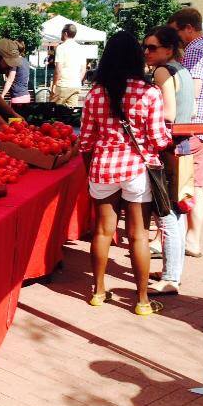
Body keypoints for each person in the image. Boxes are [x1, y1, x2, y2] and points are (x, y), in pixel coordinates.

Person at [78, 31, 171, 315]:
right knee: (139, 235)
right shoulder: (149, 92)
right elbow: (158, 140)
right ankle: (142, 301)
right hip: (136, 169)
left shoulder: (94, 94)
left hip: (103, 167)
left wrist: (90, 170)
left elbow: (85, 141)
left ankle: (98, 291)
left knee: (103, 231)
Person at [168, 7, 203, 258]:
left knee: (178, 184)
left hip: (190, 128)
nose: (175, 38)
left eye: (176, 31)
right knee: (197, 186)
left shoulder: (194, 51)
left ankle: (170, 239)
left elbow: (192, 91)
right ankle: (193, 239)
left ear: (188, 28)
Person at [142, 26, 195, 296]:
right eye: (146, 47)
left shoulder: (163, 71)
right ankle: (172, 270)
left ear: (169, 49)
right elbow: (191, 109)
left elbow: (169, 114)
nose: (147, 52)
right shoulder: (183, 71)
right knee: (179, 208)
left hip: (168, 148)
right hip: (183, 146)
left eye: (152, 48)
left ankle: (171, 277)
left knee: (167, 214)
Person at [53, 24, 85, 106]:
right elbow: (83, 69)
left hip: (63, 85)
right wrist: (77, 80)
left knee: (55, 114)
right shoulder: (81, 49)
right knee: (71, 115)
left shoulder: (61, 48)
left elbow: (58, 70)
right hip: (75, 85)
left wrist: (54, 84)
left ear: (65, 33)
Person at [2, 40, 33, 105]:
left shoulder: (15, 62)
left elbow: (10, 80)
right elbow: (26, 80)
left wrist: (2, 95)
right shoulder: (26, 61)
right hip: (26, 96)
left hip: (17, 97)